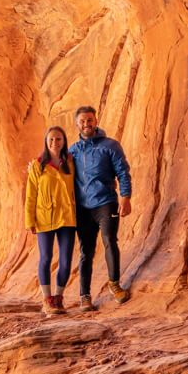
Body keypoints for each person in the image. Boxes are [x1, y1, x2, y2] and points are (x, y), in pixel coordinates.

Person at [68, 106, 132, 311]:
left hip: (106, 202)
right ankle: (85, 296)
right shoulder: (73, 151)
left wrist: (125, 197)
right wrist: (37, 166)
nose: (86, 124)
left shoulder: (110, 146)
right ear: (77, 125)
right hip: (83, 209)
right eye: (82, 121)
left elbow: (123, 172)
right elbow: (57, 170)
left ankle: (114, 284)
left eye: (89, 120)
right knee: (86, 251)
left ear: (96, 121)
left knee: (109, 241)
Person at [25, 126, 77, 315]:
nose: (55, 143)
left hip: (67, 217)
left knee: (65, 260)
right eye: (52, 140)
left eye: (59, 139)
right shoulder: (38, 165)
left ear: (64, 142)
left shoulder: (70, 163)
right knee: (46, 258)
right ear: (46, 142)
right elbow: (31, 195)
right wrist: (29, 220)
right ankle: (47, 299)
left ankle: (58, 297)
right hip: (44, 217)